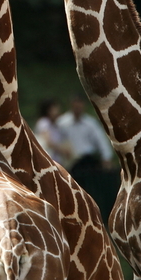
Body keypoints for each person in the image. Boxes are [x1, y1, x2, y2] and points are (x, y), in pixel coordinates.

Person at [57, 93, 119, 224]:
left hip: (88, 160)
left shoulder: (90, 123)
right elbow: (58, 142)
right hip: (71, 162)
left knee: (93, 188)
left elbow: (101, 141)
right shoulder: (63, 123)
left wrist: (106, 158)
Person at [34, 99, 72, 167]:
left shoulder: (57, 125)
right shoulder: (43, 123)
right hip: (48, 161)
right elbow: (48, 142)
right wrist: (62, 150)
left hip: (57, 161)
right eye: (54, 110)